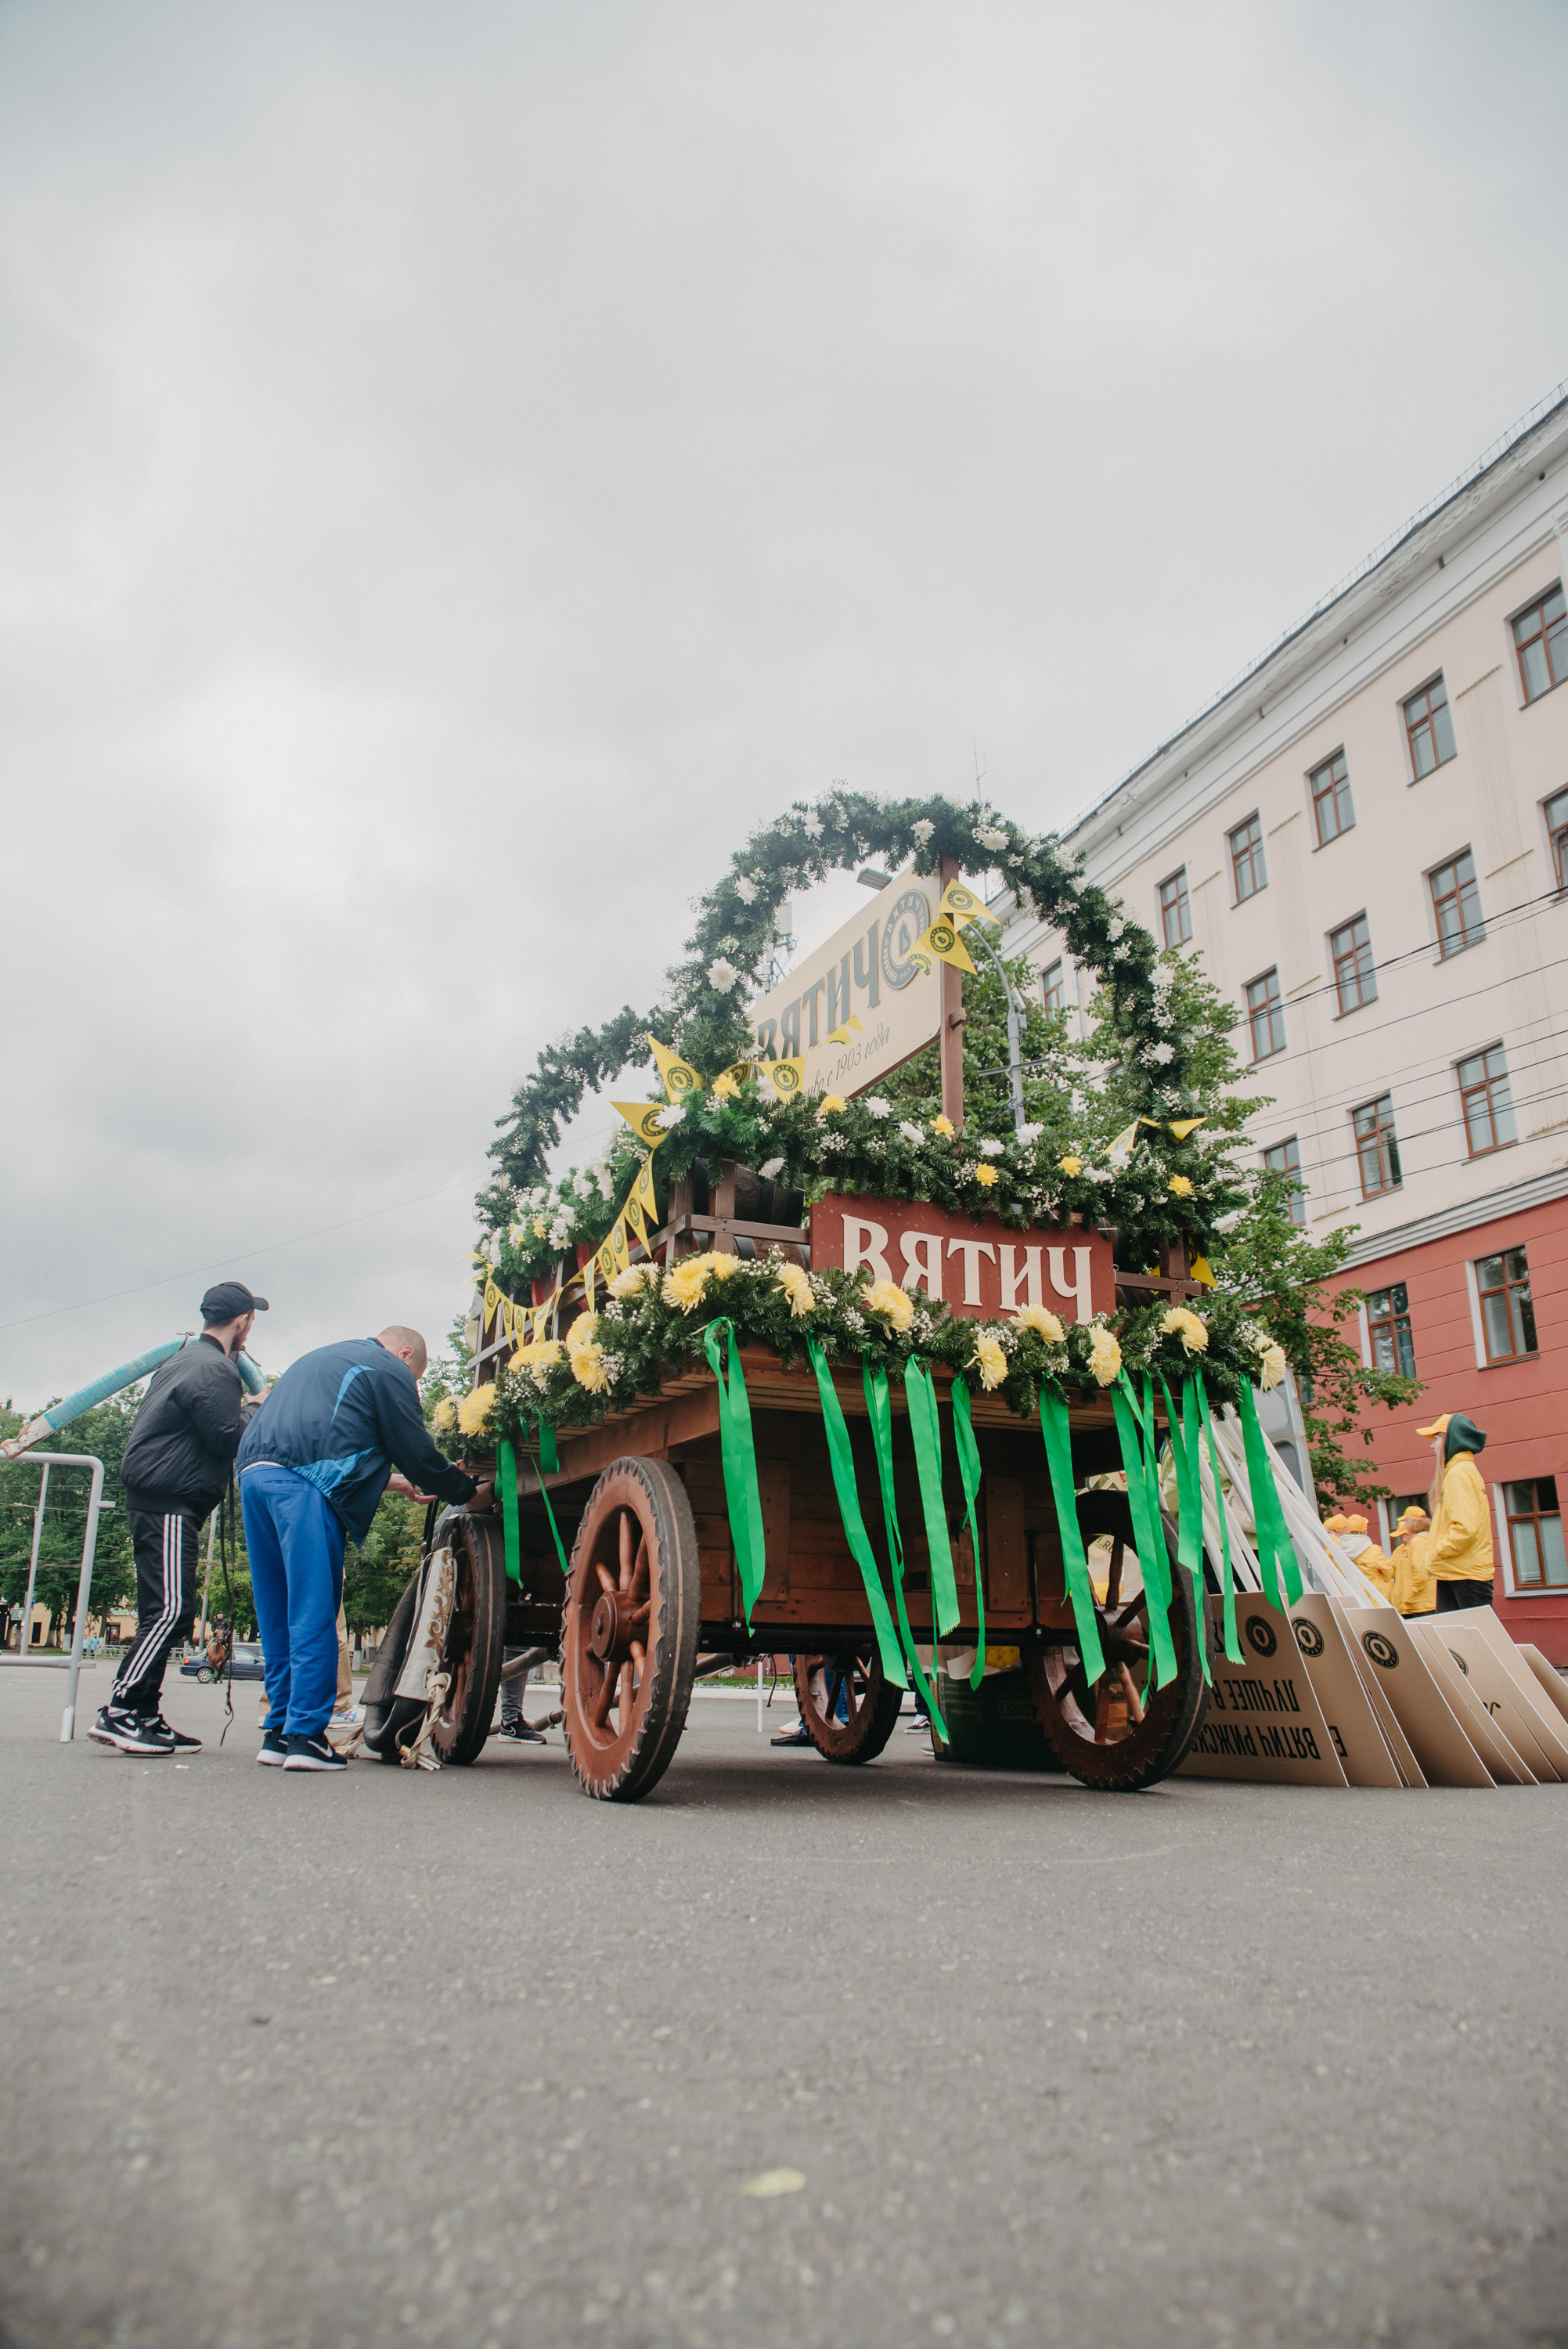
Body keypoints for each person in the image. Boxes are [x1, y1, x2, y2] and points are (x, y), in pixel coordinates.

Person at [237, 1326, 492, 1773]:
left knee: (276, 1611)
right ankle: (306, 1737)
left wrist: (387, 1481)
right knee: (314, 1610)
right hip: (306, 1483)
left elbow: (325, 1430)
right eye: (416, 1378)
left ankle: (278, 1731)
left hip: (254, 1475)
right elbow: (414, 1449)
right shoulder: (388, 1366)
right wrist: (465, 1492)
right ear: (405, 1353)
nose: (411, 1387)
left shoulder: (325, 1355)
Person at [88, 1282, 267, 1757]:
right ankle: (122, 1710)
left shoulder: (184, 1360)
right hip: (169, 1499)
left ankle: (146, 1714)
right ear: (243, 1321)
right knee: (169, 1611)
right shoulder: (214, 1369)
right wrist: (255, 1406)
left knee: (170, 1611)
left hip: (163, 1496)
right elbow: (226, 1439)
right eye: (254, 1318)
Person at [1416, 1413, 1495, 1612]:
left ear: (1451, 1440)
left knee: (1479, 1641)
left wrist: (1437, 1551)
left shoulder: (1458, 1474)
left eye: (1436, 1439)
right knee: (1457, 1641)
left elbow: (1465, 1528)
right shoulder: (1461, 1471)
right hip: (1455, 1572)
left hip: (1464, 1574)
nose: (1432, 1446)